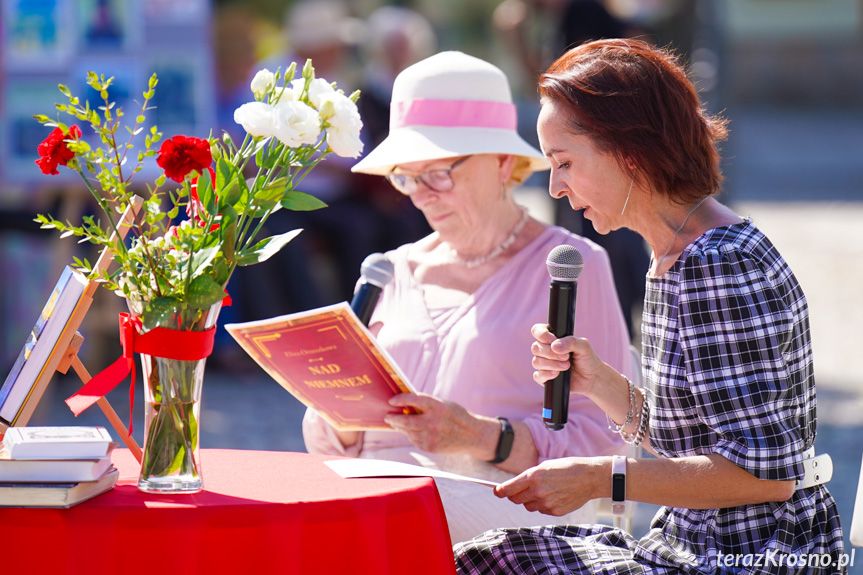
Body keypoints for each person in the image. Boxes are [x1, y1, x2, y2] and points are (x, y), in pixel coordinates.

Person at [454, 39, 846, 574]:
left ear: (628, 151)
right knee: (487, 555)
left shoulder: (716, 264)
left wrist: (602, 477)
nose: (556, 187)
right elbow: (691, 438)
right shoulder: (674, 253)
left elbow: (766, 477)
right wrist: (598, 382)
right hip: (696, 539)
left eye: (565, 162)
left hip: (751, 554)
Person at [302, 51, 634, 544]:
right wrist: (342, 407)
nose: (421, 195)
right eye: (406, 177)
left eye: (438, 172)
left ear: (503, 163)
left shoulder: (570, 266)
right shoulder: (389, 269)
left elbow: (610, 448)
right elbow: (327, 445)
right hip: (378, 503)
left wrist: (481, 437)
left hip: (503, 518)